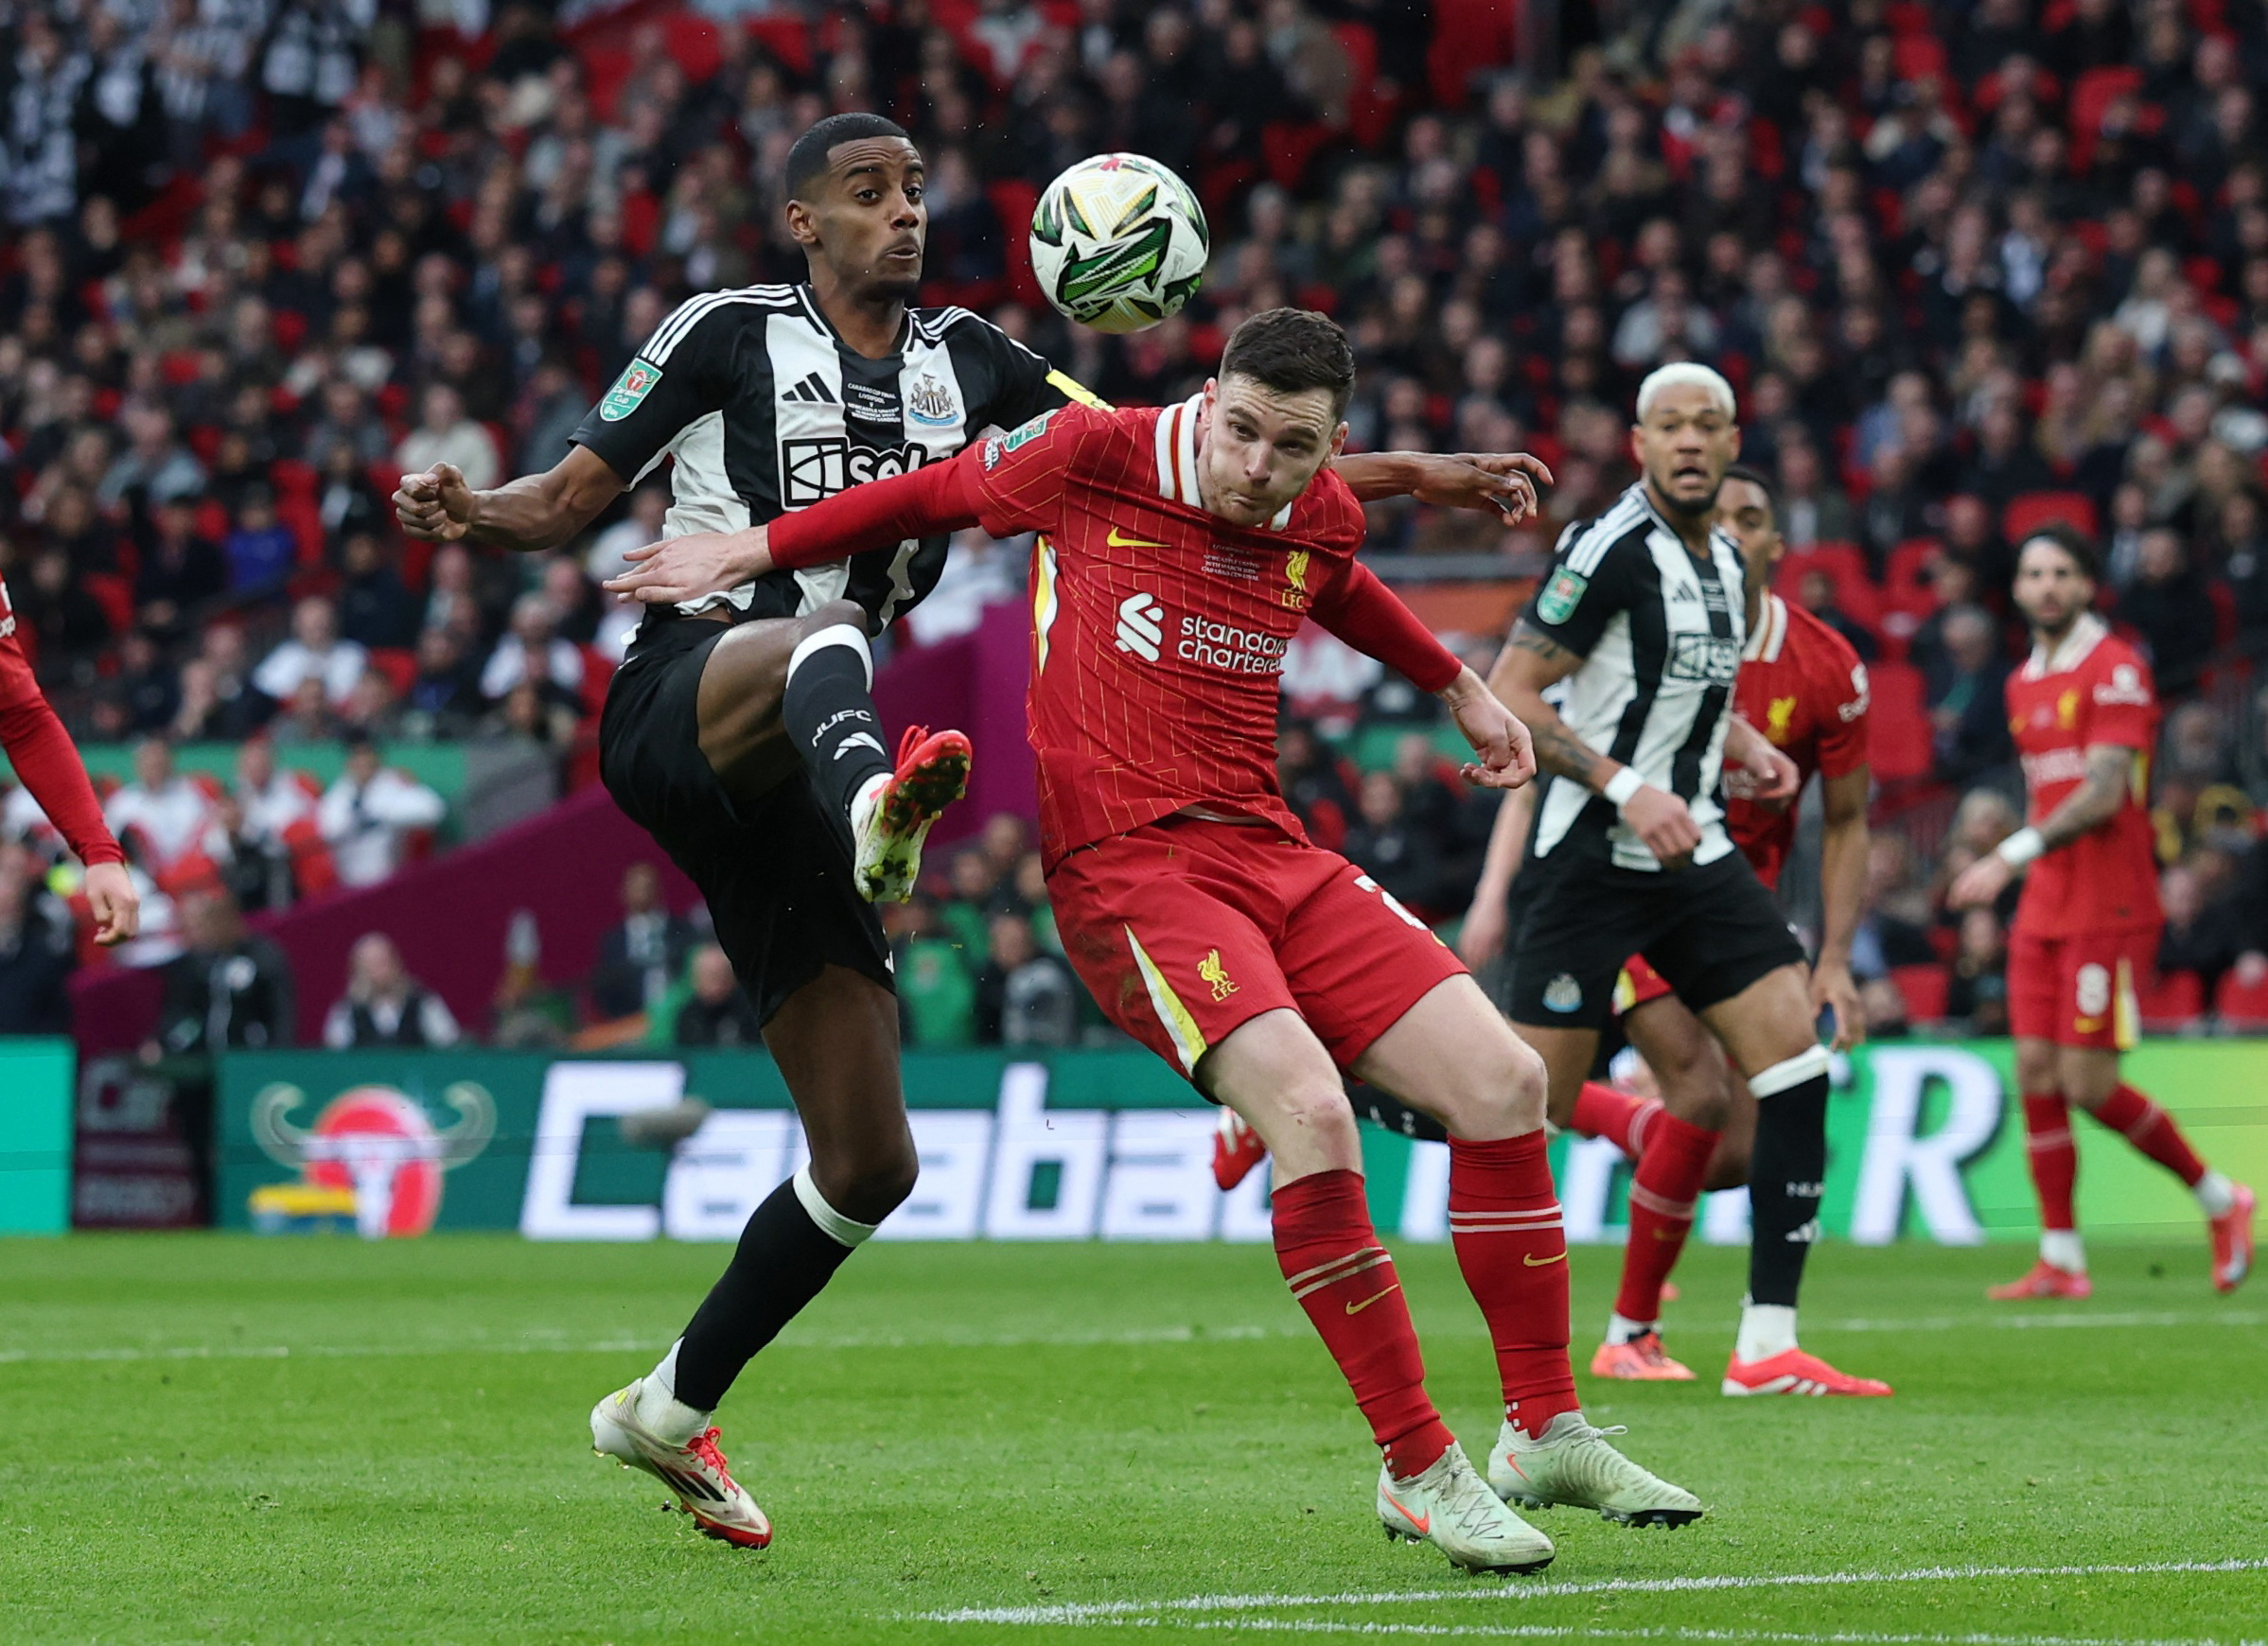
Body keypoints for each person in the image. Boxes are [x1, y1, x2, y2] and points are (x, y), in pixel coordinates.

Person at [400, 114, 1533, 1549]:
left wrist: (1416, 473)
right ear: (802, 221)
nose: (906, 215)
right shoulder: (719, 332)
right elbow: (565, 501)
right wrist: (469, 513)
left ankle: (670, 1407)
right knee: (821, 632)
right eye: (868, 195)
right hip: (697, 696)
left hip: (813, 778)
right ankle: (880, 797)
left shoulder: (976, 364)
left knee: (869, 1162)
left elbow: (1183, 453)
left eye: (918, 192)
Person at [623, 306, 1699, 1571]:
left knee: (1507, 1081)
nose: (1256, 466)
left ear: (1329, 448)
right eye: (1238, 430)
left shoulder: (1318, 511)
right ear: (1208, 400)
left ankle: (1545, 1427)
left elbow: (1338, 580)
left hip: (1273, 851)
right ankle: (1419, 1468)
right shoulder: (1094, 455)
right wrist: (751, 543)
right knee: (1309, 1112)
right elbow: (931, 494)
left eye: (1290, 448)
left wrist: (1459, 689)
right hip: (1128, 871)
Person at [1488, 363, 1891, 1399]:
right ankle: (1351, 1087)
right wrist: (1628, 787)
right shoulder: (1607, 549)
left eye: (1708, 424)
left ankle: (1764, 1343)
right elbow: (1512, 695)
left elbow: (1682, 697)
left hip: (1691, 850)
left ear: (1730, 438)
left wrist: (1742, 746)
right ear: (1639, 443)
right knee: (1519, 1106)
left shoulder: (1719, 559)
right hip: (1591, 852)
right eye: (1669, 425)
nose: (1690, 441)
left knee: (1795, 1068)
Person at [1949, 526, 2254, 1298]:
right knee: (2032, 1070)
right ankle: (2060, 1257)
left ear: (2086, 584)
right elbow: (2043, 789)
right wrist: (2010, 873)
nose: (2046, 586)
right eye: (2032, 574)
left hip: (2109, 903)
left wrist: (2006, 857)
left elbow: (2103, 790)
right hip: (2045, 903)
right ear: (2016, 590)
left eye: (2061, 573)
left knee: (2086, 1081)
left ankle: (2220, 1199)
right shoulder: (2022, 681)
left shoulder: (2115, 668)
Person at [315, 736, 446, 887]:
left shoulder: (393, 784)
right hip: (349, 883)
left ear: (377, 761)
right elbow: (328, 831)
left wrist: (383, 814)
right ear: (349, 763)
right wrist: (357, 816)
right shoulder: (339, 794)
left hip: (391, 879)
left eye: (368, 760)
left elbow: (434, 810)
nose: (363, 766)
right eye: (357, 759)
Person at [589, 861, 695, 1021]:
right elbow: (605, 988)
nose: (642, 892)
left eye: (648, 886)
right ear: (623, 893)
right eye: (636, 887)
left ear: (659, 890)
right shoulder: (613, 941)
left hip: (680, 1017)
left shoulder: (683, 931)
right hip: (630, 1023)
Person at [322, 932, 462, 1048]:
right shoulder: (345, 1011)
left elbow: (449, 1044)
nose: (377, 972)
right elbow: (334, 1054)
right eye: (369, 966)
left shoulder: (424, 1003)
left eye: (382, 963)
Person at [672, 943, 765, 1046]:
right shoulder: (688, 1015)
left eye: (717, 976)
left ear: (731, 978)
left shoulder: (749, 1012)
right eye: (706, 977)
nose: (713, 983)